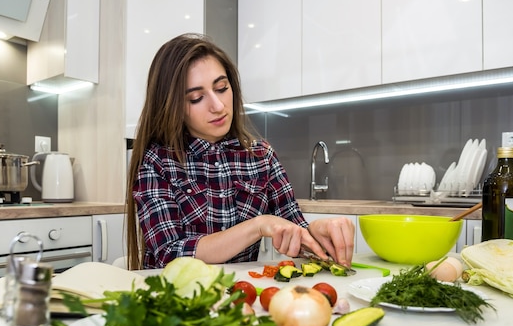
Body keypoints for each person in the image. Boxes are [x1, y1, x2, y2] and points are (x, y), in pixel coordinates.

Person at [125, 33, 354, 270]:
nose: (218, 106)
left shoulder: (261, 157)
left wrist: (316, 234)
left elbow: (293, 230)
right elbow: (169, 254)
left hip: (239, 300)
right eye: (196, 98)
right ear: (173, 106)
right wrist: (257, 225)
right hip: (176, 299)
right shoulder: (157, 161)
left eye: (221, 88)